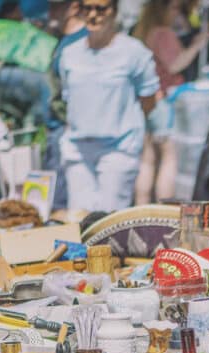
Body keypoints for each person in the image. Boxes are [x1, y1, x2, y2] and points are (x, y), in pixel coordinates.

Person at [58, 0, 160, 213]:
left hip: (118, 148)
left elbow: (148, 99)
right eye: (87, 8)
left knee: (109, 221)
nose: (94, 14)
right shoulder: (69, 53)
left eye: (101, 8)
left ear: (114, 12)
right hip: (78, 149)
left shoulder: (134, 52)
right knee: (78, 221)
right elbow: (69, 99)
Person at [133, 0, 209, 204]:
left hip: (147, 101)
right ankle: (163, 211)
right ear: (162, 8)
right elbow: (175, 64)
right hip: (164, 101)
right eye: (175, 7)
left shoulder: (143, 33)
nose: (178, 12)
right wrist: (196, 46)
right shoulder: (162, 33)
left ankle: (141, 209)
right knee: (169, 159)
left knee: (148, 160)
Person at [46, 0, 88, 210]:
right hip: (59, 129)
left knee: (61, 203)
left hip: (66, 130)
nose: (49, 11)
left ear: (73, 7)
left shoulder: (80, 43)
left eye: (56, 6)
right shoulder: (65, 41)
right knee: (57, 201)